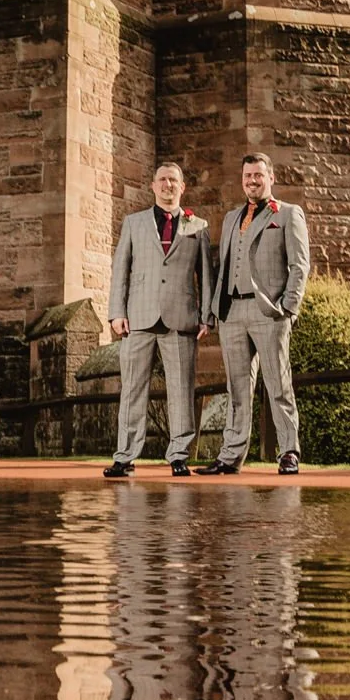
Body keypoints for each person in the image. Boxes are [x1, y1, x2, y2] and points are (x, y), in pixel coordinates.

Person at [102, 159, 214, 479]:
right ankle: (125, 456)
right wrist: (116, 312)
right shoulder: (134, 223)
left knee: (181, 389)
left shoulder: (198, 226)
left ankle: (178, 455)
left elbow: (205, 275)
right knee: (133, 389)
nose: (167, 185)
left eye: (173, 181)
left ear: (182, 187)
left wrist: (205, 316)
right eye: (162, 180)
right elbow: (120, 270)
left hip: (181, 318)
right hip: (137, 318)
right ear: (153, 186)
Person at [205, 152, 310, 476]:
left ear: (270, 178)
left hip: (269, 311)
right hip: (232, 311)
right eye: (248, 176)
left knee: (278, 384)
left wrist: (288, 307)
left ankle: (289, 452)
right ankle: (230, 457)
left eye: (258, 176)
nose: (253, 181)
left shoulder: (289, 214)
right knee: (237, 388)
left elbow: (299, 266)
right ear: (242, 180)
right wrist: (215, 310)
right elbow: (223, 267)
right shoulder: (232, 217)